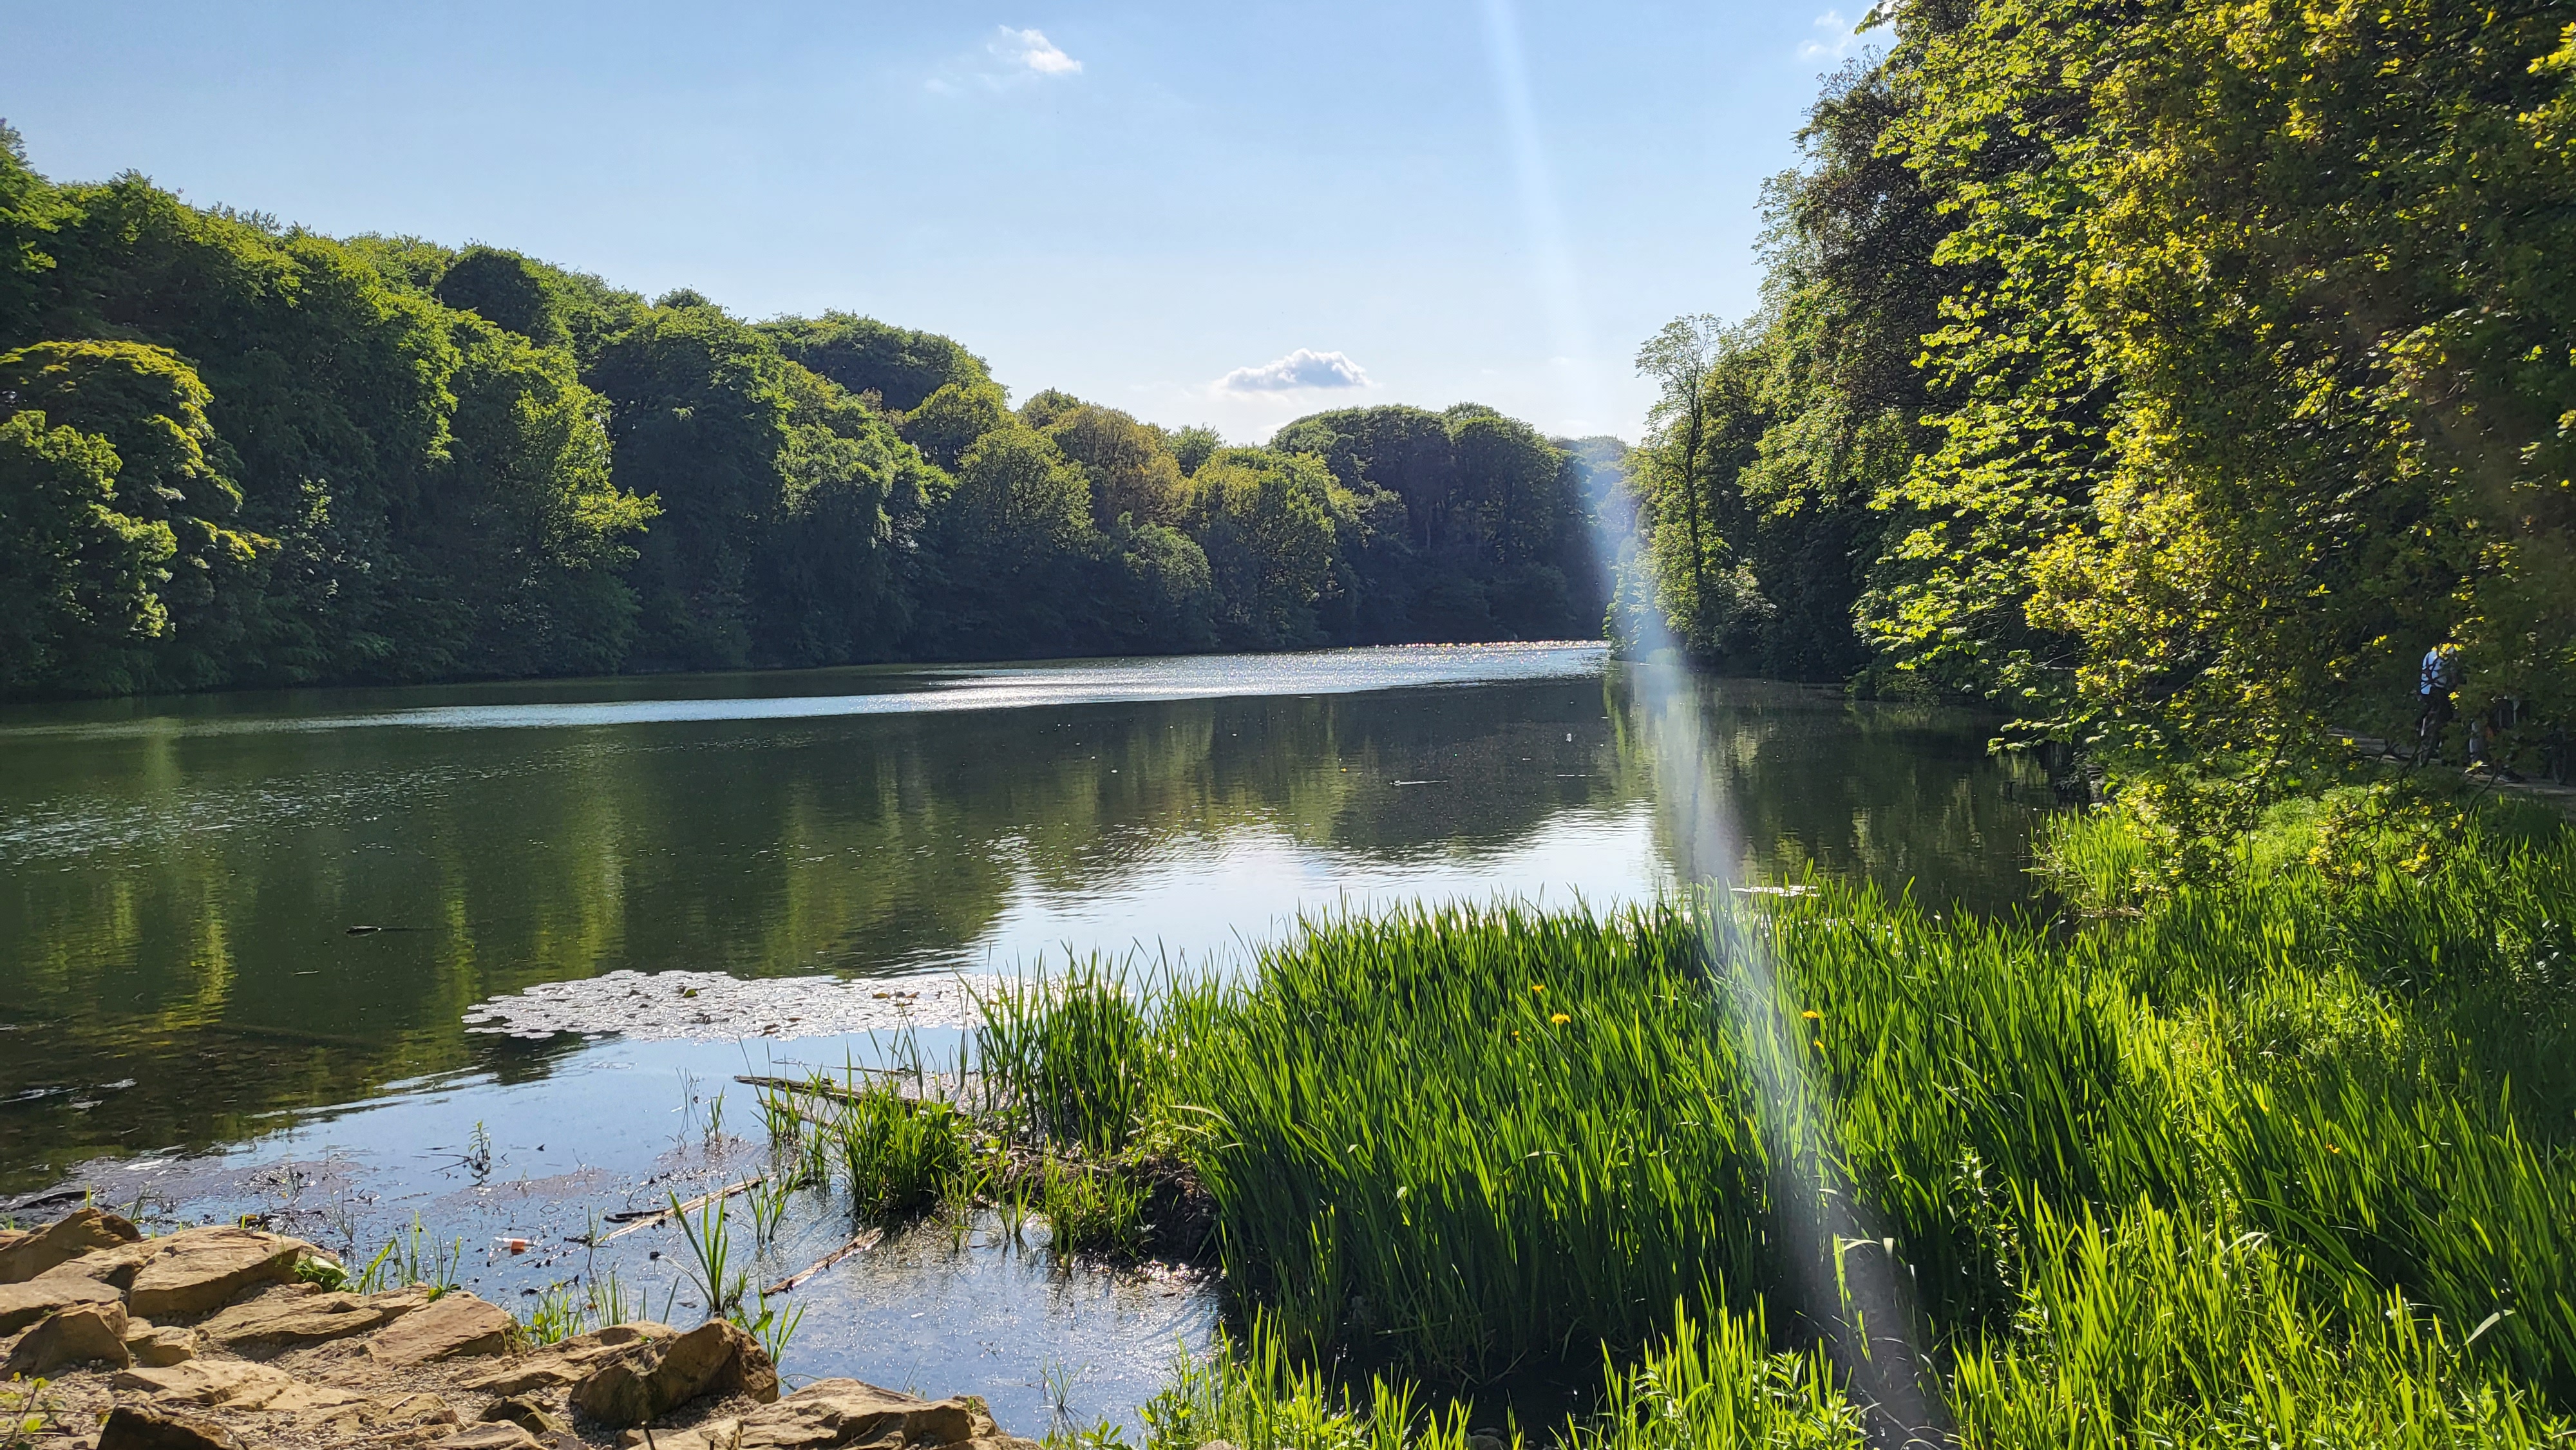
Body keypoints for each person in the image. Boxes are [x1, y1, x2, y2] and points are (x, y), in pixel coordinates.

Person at [2416, 643, 2462, 765]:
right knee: (2448, 718)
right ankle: (2444, 750)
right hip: (2439, 691)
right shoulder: (2450, 657)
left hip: (2424, 690)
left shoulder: (2430, 654)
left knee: (2431, 708)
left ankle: (2421, 725)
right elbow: (2454, 677)